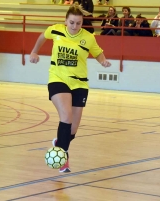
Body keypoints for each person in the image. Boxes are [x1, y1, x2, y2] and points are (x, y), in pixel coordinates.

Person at [29, 2, 111, 173]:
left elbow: (98, 52)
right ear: (66, 21)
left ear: (82, 23)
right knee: (66, 117)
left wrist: (102, 60)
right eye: (71, 22)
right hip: (58, 79)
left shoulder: (88, 37)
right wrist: (34, 51)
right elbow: (42, 36)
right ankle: (63, 157)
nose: (74, 26)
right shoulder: (55, 29)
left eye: (78, 23)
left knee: (72, 129)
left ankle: (60, 143)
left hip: (80, 83)